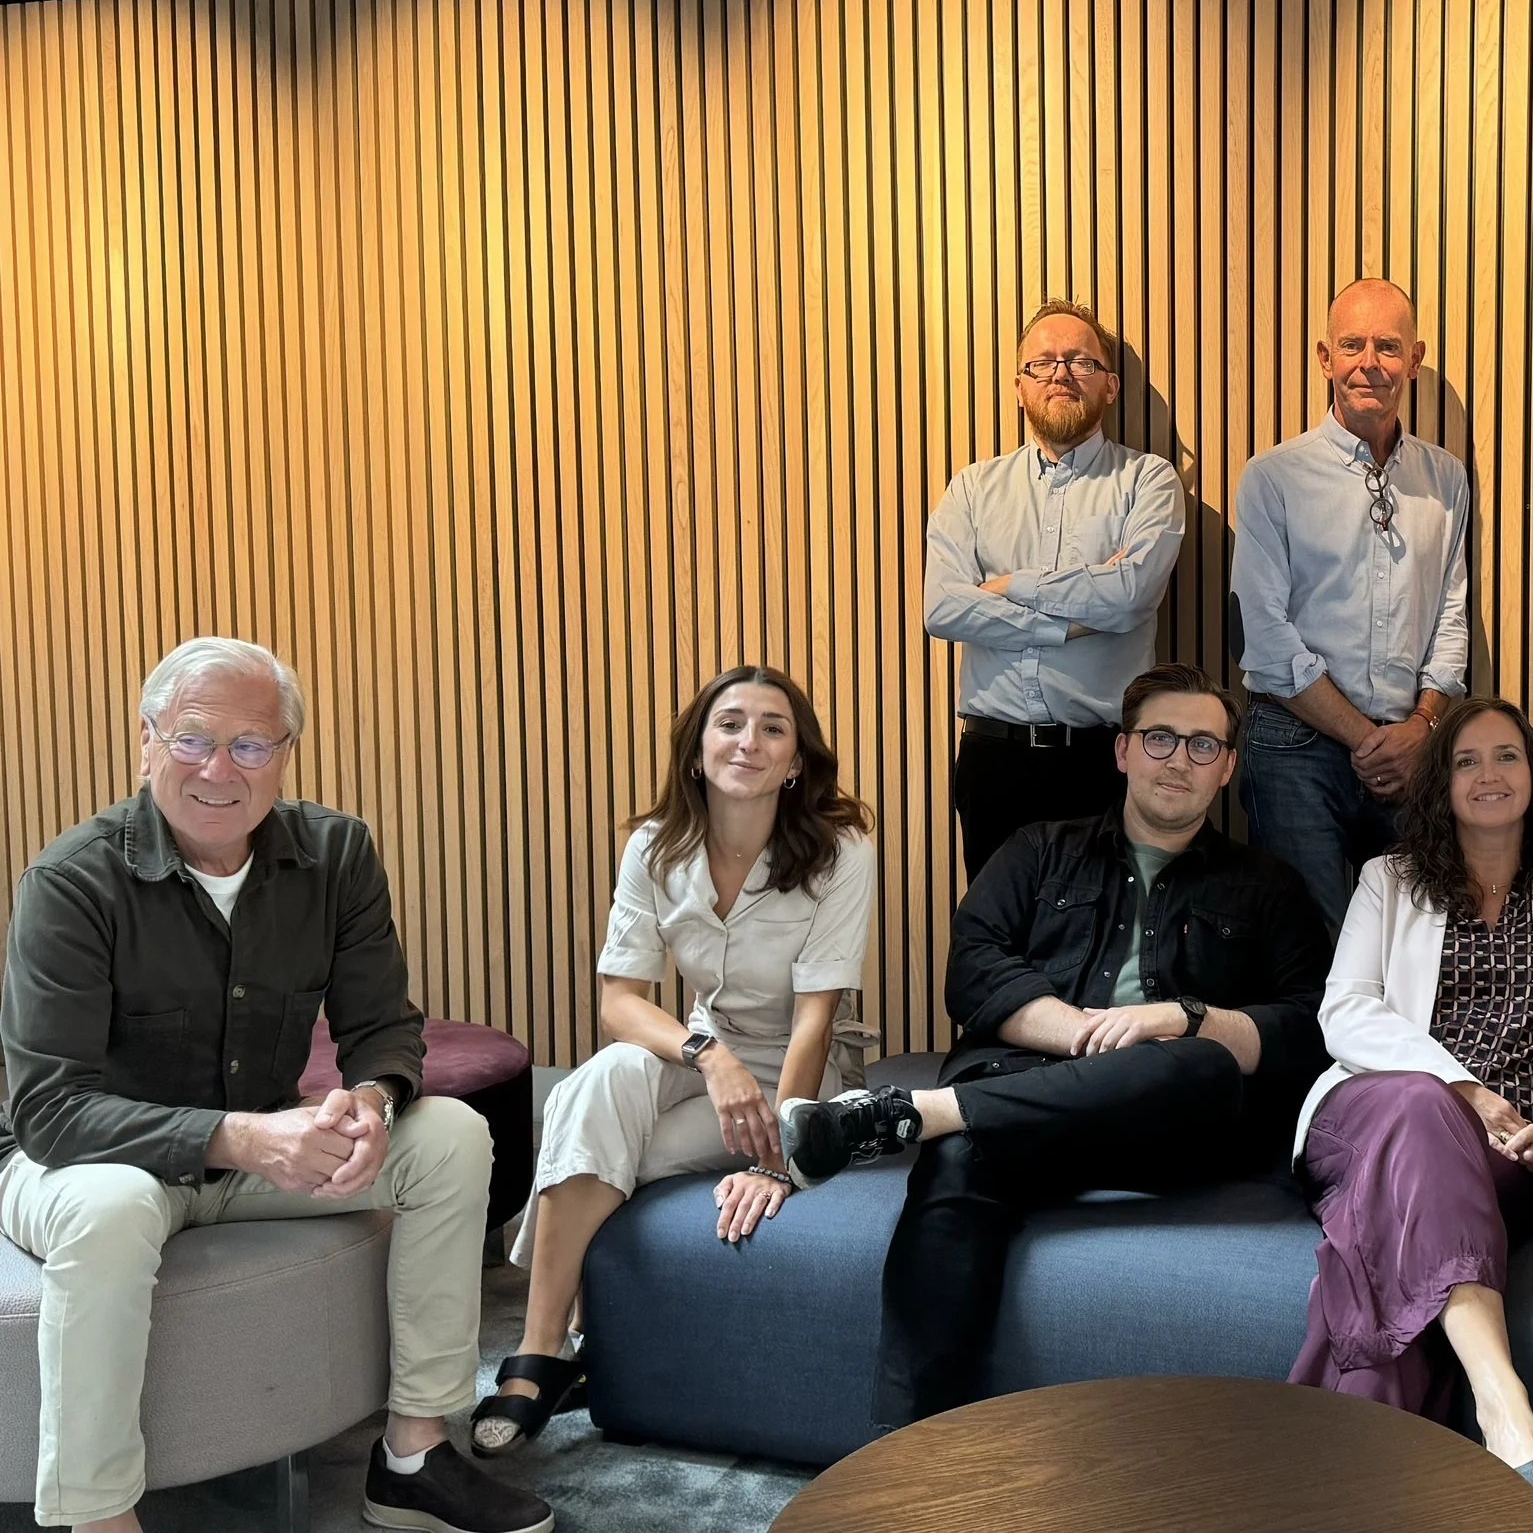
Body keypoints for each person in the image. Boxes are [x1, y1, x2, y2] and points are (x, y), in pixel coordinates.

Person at [0, 638, 552, 1533]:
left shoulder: (335, 853)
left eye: (250, 744)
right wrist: (245, 1138)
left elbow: (383, 1029)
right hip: (88, 1161)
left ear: (285, 754)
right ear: (145, 741)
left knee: (450, 1134)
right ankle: (100, 1517)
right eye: (191, 738)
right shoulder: (71, 880)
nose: (219, 768)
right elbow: (49, 1111)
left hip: (254, 1147)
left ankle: (413, 1456)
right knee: (111, 1208)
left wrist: (371, 1105)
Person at [778, 663, 1334, 1428]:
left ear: (1228, 766)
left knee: (1201, 1062)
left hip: (1168, 1124)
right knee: (957, 1160)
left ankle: (920, 1112)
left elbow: (1307, 1027)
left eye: (1203, 744)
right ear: (1123, 750)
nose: (1179, 759)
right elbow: (974, 968)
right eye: (1161, 738)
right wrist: (1079, 1032)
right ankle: (912, 1453)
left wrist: (1180, 1017)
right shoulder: (1038, 849)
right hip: (1023, 1087)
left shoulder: (1268, 886)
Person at [470, 666, 876, 1454]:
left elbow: (816, 1015)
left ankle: (564, 1347)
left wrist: (776, 1157)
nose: (748, 741)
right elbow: (619, 1001)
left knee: (596, 1144)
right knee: (597, 1082)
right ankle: (543, 1344)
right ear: (697, 750)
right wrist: (709, 1056)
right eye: (730, 723)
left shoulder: (841, 849)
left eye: (772, 728)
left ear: (796, 761)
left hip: (801, 1071)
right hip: (701, 1049)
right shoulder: (654, 844)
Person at [1286, 696, 1533, 1517]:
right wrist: (1458, 1087)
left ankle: (1338, 1495)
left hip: (1514, 1152)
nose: (1489, 774)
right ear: (1442, 783)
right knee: (1422, 1105)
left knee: (1375, 1244)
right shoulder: (1388, 882)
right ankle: (1502, 1402)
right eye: (1466, 760)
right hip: (1372, 1116)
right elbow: (1345, 1011)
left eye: (1506, 755)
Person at [1233, 277, 1472, 932]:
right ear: (1325, 357)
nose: (1370, 362)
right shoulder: (1273, 477)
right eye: (1352, 345)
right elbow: (1262, 637)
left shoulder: (1446, 477)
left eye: (1388, 346)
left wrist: (1420, 730)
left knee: (1417, 941)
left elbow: (1451, 616)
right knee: (1311, 947)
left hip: (1410, 746)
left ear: (1414, 360)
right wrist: (1369, 740)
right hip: (1293, 745)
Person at [924, 297, 1187, 877]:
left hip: (1104, 762)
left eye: (1080, 361)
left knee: (1108, 930)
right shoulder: (972, 488)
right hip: (993, 762)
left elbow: (1130, 595)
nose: (1061, 374)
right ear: (1019, 387)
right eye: (1042, 363)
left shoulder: (1148, 480)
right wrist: (1069, 623)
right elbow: (942, 608)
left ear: (1110, 386)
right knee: (999, 927)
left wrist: (1006, 586)